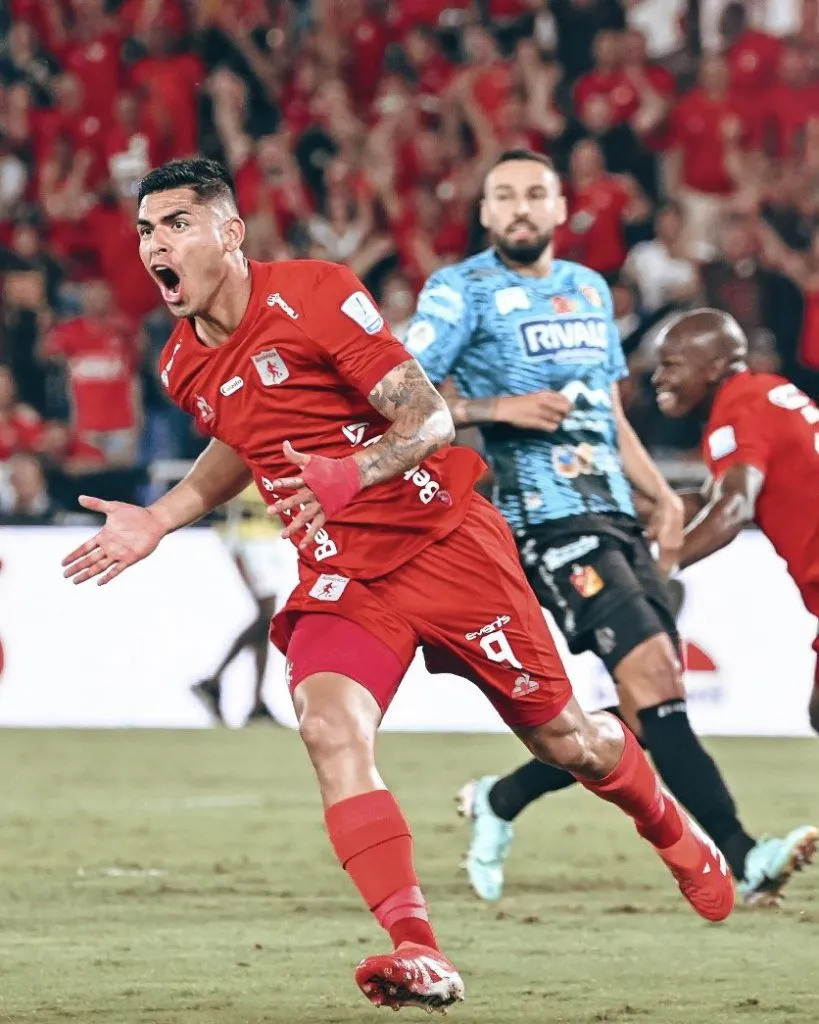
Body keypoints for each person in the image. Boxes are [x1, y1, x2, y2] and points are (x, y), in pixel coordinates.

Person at [62, 157, 733, 1015]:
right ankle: (417, 948)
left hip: (444, 542)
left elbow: (428, 415)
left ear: (229, 233)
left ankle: (673, 834)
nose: (158, 243)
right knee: (327, 727)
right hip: (343, 573)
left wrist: (354, 471)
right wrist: (162, 517)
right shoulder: (180, 364)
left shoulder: (313, 291)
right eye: (147, 230)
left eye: (177, 224)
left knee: (567, 741)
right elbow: (242, 433)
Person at [405, 147, 813, 908]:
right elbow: (393, 387)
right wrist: (493, 411)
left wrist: (658, 495)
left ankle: (501, 799)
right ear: (486, 212)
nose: (520, 207)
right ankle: (743, 856)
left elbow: (604, 411)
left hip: (616, 514)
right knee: (657, 680)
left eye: (535, 194)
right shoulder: (458, 292)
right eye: (504, 196)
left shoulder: (587, 289)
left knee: (636, 710)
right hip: (549, 524)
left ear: (561, 210)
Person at [653, 306, 819, 758]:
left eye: (671, 364)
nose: (658, 378)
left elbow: (733, 507)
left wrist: (662, 568)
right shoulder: (767, 394)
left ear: (713, 367)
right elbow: (713, 497)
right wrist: (642, 504)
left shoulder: (740, 411)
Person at [191, 484, 297, 725]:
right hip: (245, 535)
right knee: (267, 615)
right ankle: (215, 681)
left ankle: (255, 702)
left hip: (267, 535)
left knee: (267, 619)